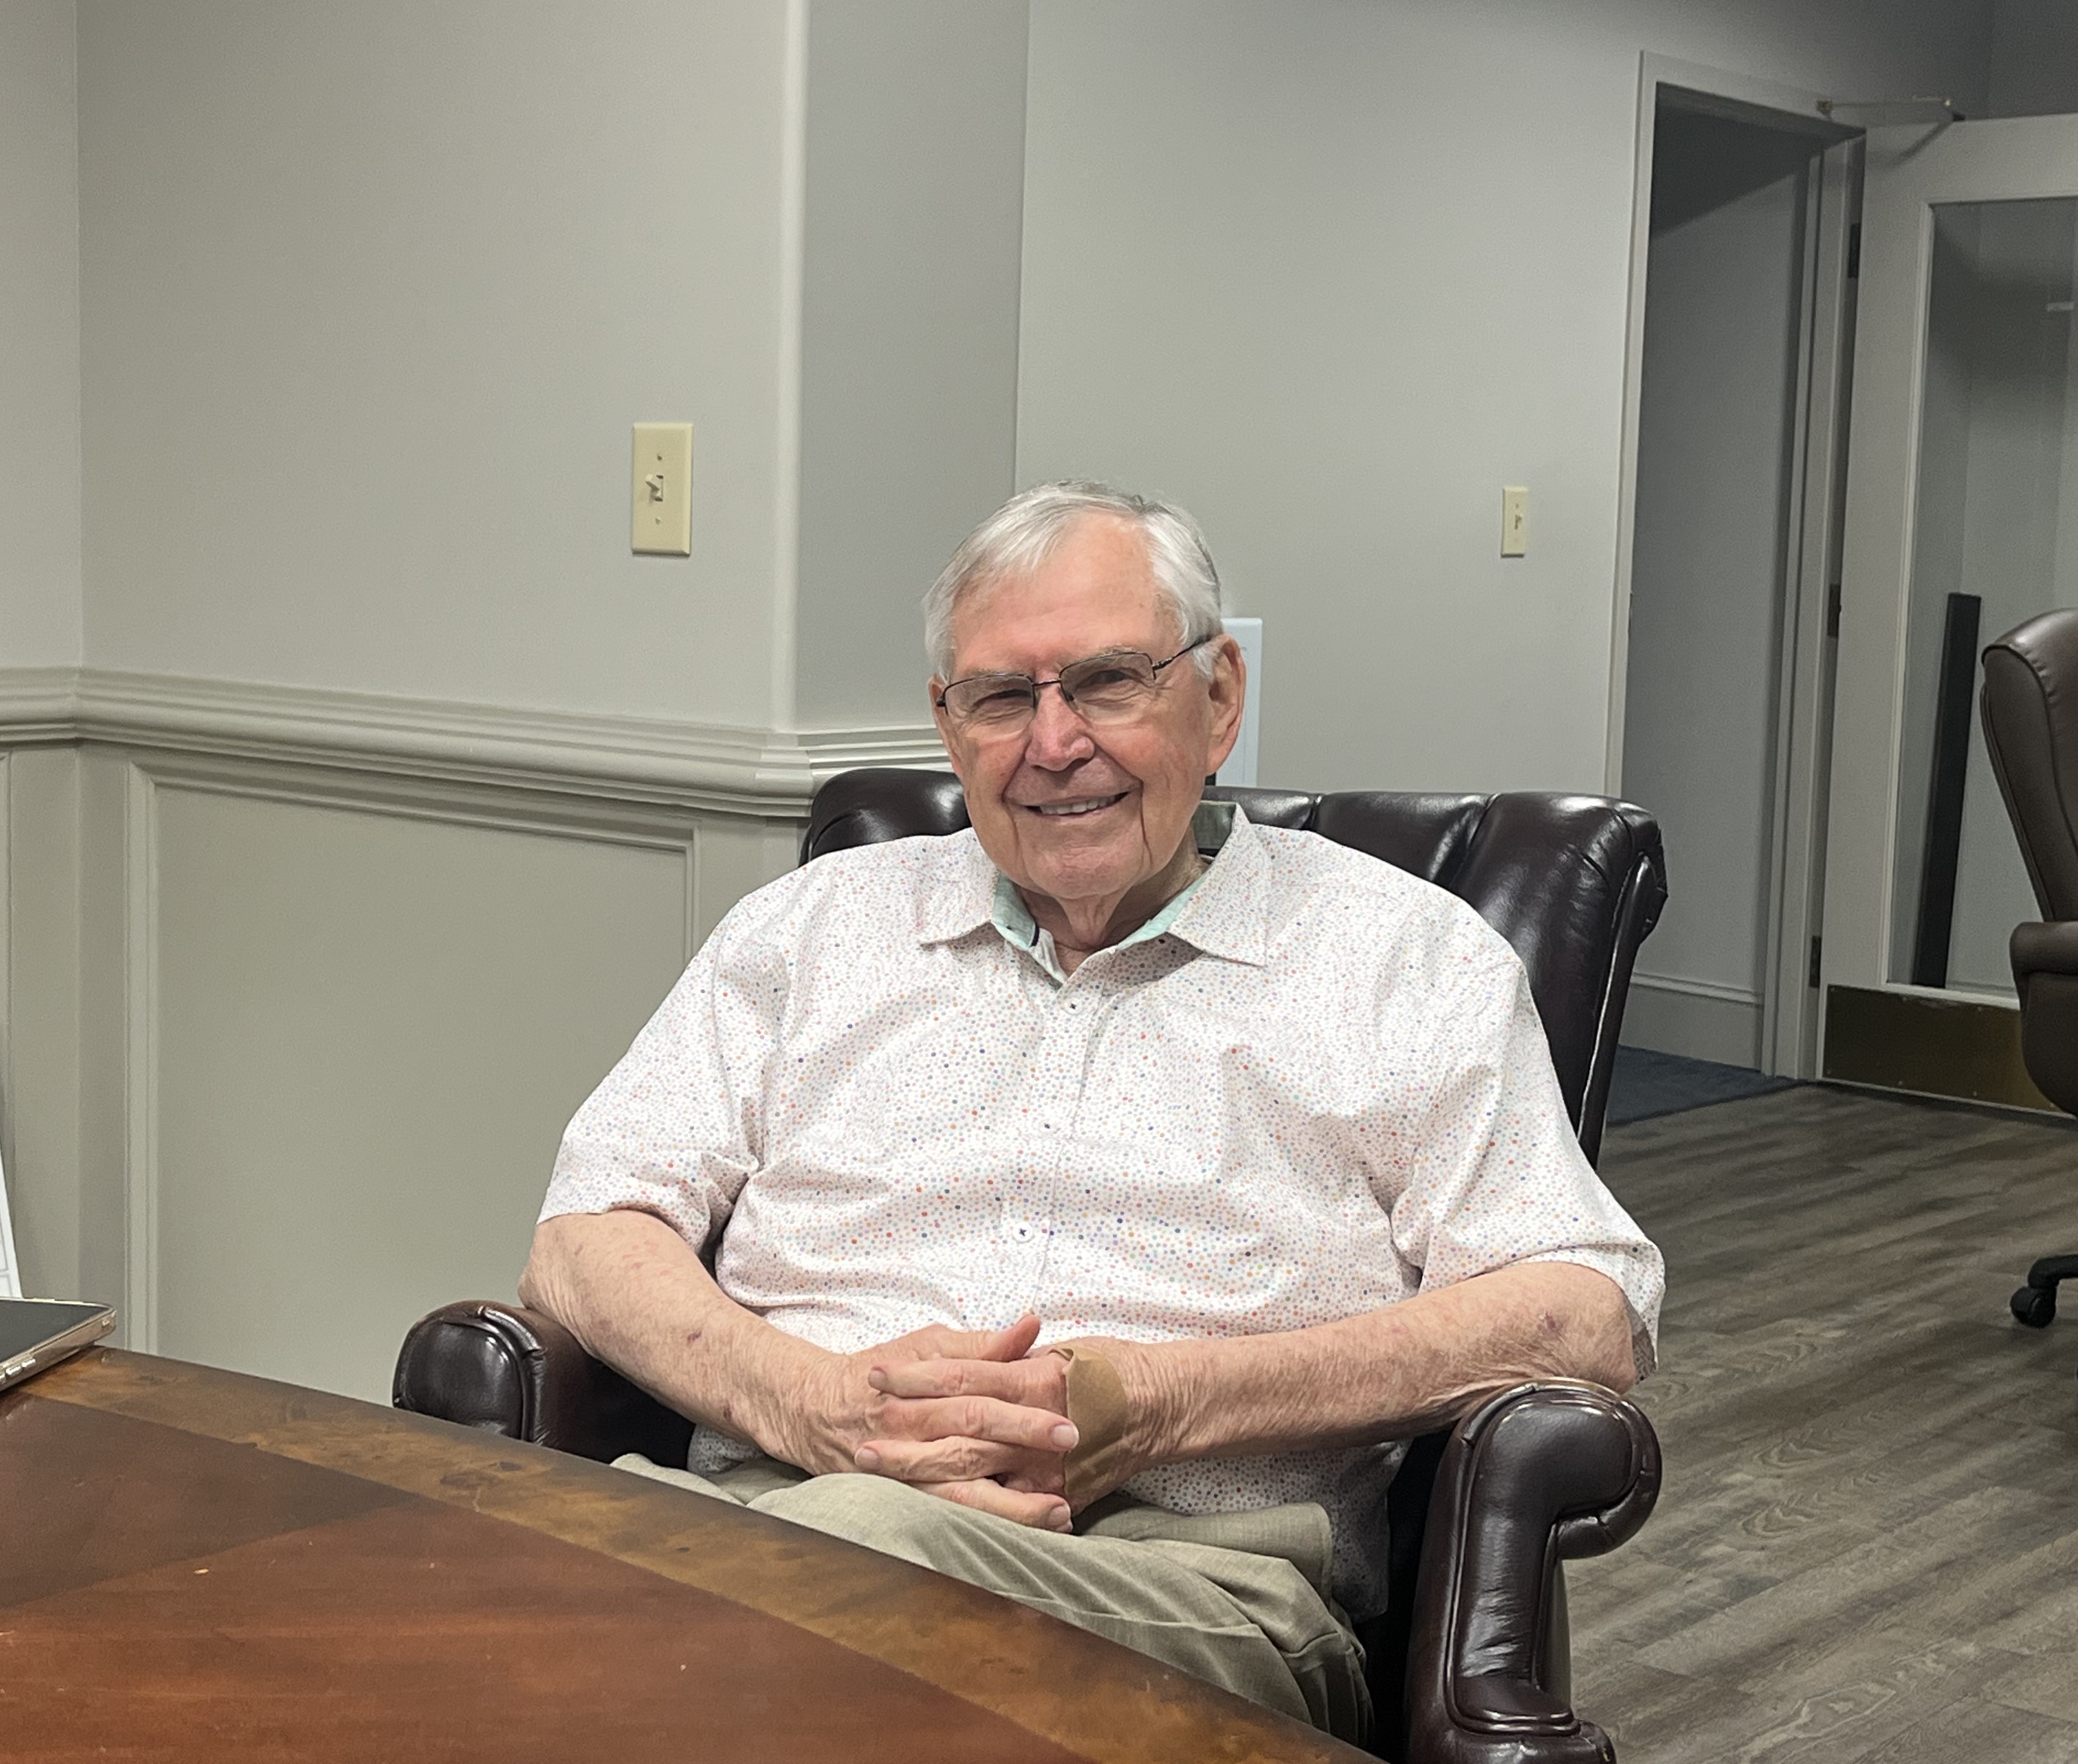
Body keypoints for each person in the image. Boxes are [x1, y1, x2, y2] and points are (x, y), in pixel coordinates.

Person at [522, 479, 1662, 1742]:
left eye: (1109, 682)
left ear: (1218, 698)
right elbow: (585, 1238)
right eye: (1003, 697)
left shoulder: (1398, 959)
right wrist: (809, 1404)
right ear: (947, 727)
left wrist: (1161, 1403)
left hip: (1181, 1591)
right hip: (760, 1514)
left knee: (684, 1612)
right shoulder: (810, 932)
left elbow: (1582, 1313)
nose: (1054, 743)